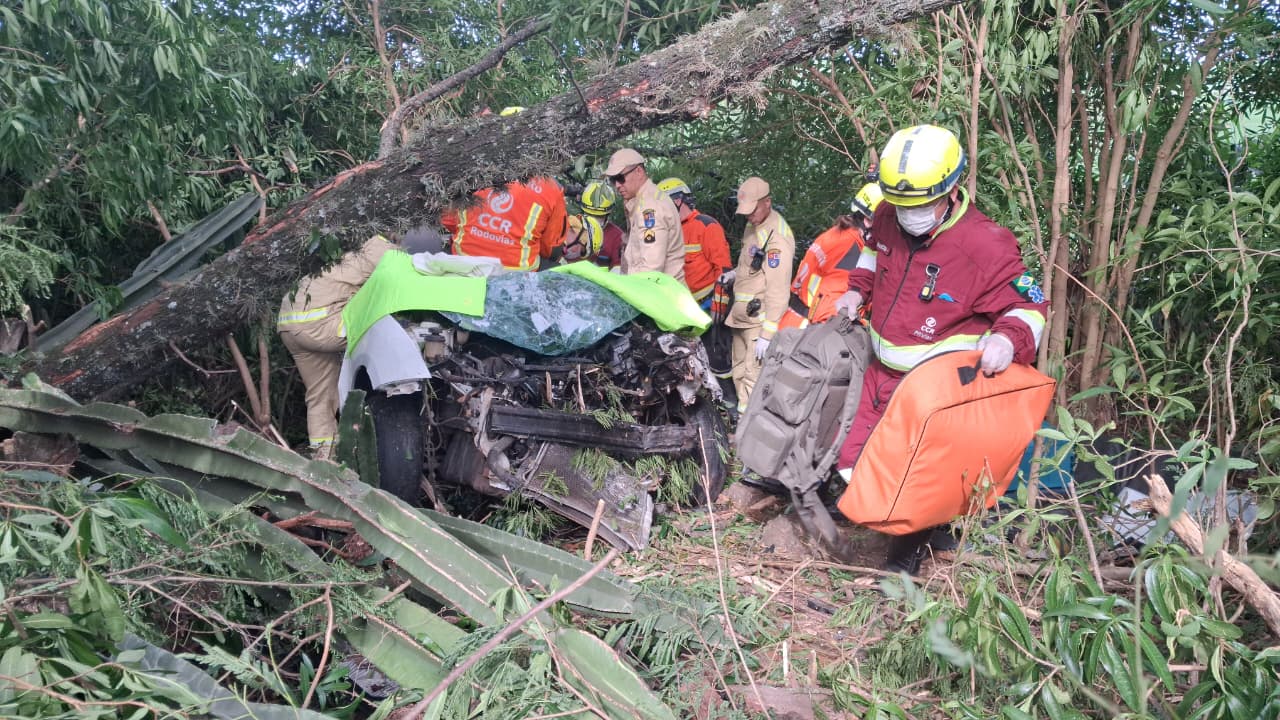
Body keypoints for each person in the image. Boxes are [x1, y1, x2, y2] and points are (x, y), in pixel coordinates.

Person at [831, 124, 1048, 574]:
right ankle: (869, 530)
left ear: (951, 190)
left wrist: (1009, 338)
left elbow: (1029, 303)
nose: (907, 213)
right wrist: (857, 290)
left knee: (914, 484)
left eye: (919, 204)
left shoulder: (984, 244)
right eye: (900, 203)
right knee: (857, 461)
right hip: (882, 371)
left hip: (932, 390)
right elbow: (873, 255)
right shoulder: (889, 215)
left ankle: (904, 564)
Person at [277, 234, 397, 459]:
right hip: (319, 324)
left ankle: (325, 460)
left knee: (321, 397)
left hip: (288, 325)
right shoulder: (381, 249)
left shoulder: (344, 248)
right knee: (383, 331)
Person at [723, 176, 795, 413]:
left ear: (767, 202)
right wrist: (734, 274)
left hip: (757, 322)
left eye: (752, 211)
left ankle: (747, 434)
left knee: (753, 379)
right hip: (740, 318)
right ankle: (740, 424)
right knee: (739, 371)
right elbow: (749, 265)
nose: (749, 216)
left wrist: (767, 333)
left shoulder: (776, 240)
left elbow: (778, 289)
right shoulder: (753, 225)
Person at [779, 182, 883, 329]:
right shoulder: (852, 250)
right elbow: (833, 309)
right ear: (868, 220)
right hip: (809, 332)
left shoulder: (840, 233)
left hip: (794, 323)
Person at [442, 179, 566, 271]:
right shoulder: (552, 189)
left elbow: (448, 220)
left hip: (463, 259)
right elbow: (551, 249)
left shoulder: (475, 172)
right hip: (516, 271)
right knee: (557, 270)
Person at [603, 148, 684, 281]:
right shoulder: (640, 201)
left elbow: (651, 269)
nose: (617, 185)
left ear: (639, 171)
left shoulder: (650, 208)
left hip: (659, 295)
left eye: (620, 178)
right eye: (613, 180)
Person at [658, 177, 732, 304]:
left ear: (677, 200)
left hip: (708, 301)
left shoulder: (706, 225)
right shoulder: (669, 231)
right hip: (682, 305)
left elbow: (723, 268)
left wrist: (720, 303)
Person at [563, 181, 624, 267]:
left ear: (608, 214)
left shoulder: (617, 237)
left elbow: (618, 270)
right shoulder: (571, 228)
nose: (594, 220)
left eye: (599, 216)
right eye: (590, 215)